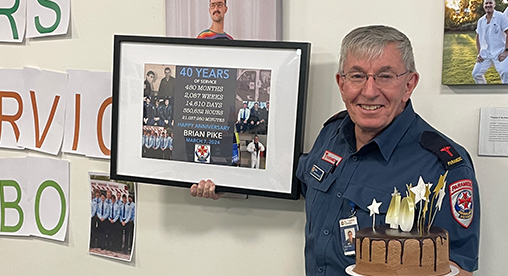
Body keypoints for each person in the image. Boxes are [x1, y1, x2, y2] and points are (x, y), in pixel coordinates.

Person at [191, 25, 480, 276]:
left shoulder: (443, 165)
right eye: (357, 76)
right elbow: (299, 182)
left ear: (409, 84)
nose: (369, 91)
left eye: (385, 76)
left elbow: (458, 267)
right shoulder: (332, 133)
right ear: (341, 83)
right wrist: (227, 184)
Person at [472, 0, 508, 84]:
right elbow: (478, 37)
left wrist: (506, 51)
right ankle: (485, 93)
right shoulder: (481, 21)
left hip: (500, 52)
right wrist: (479, 53)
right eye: (486, 3)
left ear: (494, 4)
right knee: (476, 74)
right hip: (485, 53)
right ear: (483, 6)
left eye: (490, 3)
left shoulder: (501, 16)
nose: (488, 5)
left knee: (505, 73)